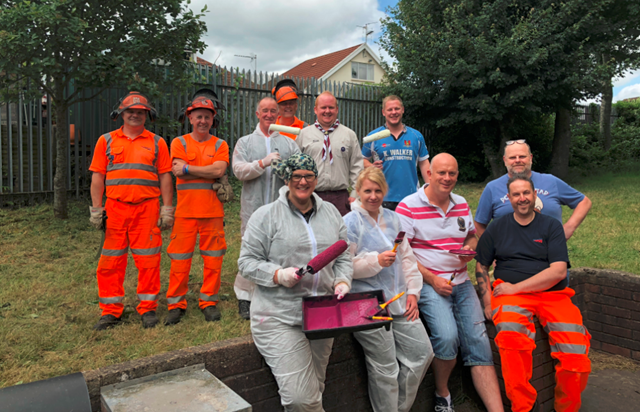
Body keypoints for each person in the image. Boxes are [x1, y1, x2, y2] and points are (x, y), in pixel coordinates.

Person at [238, 153, 352, 412]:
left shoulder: (331, 213)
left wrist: (343, 281)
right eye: (297, 176)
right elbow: (246, 263)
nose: (303, 181)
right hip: (279, 316)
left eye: (308, 176)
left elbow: (343, 253)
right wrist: (278, 275)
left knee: (315, 388)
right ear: (287, 179)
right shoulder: (265, 216)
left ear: (316, 178)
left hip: (322, 313)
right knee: (302, 398)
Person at [396, 153, 504, 412]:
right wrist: (432, 279)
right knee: (446, 338)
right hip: (430, 283)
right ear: (429, 174)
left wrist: (468, 248)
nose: (447, 178)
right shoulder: (408, 206)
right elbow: (402, 252)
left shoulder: (461, 203)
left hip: (463, 283)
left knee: (479, 342)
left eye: (452, 173)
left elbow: (471, 237)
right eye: (441, 173)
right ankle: (442, 393)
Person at [475, 174, 591, 412]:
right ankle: (522, 407)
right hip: (511, 298)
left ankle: (566, 408)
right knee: (510, 342)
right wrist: (487, 300)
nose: (522, 198)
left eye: (526, 193)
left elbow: (558, 272)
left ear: (535, 195)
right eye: (516, 194)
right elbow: (480, 266)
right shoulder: (497, 227)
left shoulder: (551, 226)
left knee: (576, 354)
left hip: (553, 295)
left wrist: (516, 287)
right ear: (509, 198)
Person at [344, 167, 434, 412]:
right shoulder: (350, 223)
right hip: (365, 304)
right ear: (358, 192)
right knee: (385, 368)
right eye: (367, 191)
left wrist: (414, 292)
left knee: (422, 353)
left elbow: (407, 258)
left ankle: (398, 408)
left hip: (399, 299)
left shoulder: (395, 219)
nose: (373, 196)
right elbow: (342, 267)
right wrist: (374, 261)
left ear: (385, 192)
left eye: (378, 191)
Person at [89, 91, 173, 330]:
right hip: (114, 210)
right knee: (110, 263)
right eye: (130, 111)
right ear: (121, 114)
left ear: (147, 115)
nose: (135, 115)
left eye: (140, 112)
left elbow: (165, 176)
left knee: (148, 262)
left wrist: (167, 208)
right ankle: (111, 311)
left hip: (147, 209)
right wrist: (96, 209)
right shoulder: (106, 141)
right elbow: (98, 176)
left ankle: (147, 308)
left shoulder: (157, 143)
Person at [232, 96, 300, 320]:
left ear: (277, 114)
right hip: (253, 207)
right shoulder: (245, 142)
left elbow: (297, 174)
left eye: (273, 111)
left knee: (278, 249)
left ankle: (272, 293)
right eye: (265, 111)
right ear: (257, 114)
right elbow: (239, 170)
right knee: (251, 250)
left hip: (280, 208)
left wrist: (286, 171)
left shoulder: (289, 143)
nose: (269, 115)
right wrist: (262, 163)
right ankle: (245, 296)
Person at [164, 90, 229, 325]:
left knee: (213, 260)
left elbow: (218, 171)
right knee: (179, 261)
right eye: (198, 116)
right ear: (190, 118)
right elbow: (180, 170)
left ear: (213, 119)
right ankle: (176, 304)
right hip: (185, 214)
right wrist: (208, 171)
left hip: (212, 213)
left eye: (207, 117)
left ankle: (209, 302)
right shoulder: (178, 143)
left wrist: (188, 169)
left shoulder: (220, 144)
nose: (203, 121)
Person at [474, 140, 592, 239]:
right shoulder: (492, 188)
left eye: (522, 156)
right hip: (509, 259)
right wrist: (491, 251)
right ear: (505, 160)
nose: (517, 160)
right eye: (512, 157)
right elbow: (479, 224)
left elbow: (584, 202)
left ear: (530, 158)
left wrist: (568, 229)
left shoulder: (551, 181)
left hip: (550, 255)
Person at [296, 91, 364, 216]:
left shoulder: (349, 135)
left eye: (331, 107)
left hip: (341, 199)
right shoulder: (303, 135)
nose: (327, 111)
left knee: (341, 235)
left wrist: (355, 195)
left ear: (337, 109)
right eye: (323, 107)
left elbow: (357, 167)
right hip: (311, 197)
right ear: (315, 110)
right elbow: (296, 168)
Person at [362, 95, 430, 211]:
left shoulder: (416, 136)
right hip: (382, 197)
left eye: (397, 109)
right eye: (390, 109)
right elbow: (361, 159)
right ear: (384, 112)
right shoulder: (373, 137)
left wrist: (431, 187)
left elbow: (424, 163)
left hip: (412, 197)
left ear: (402, 110)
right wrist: (371, 167)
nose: (394, 112)